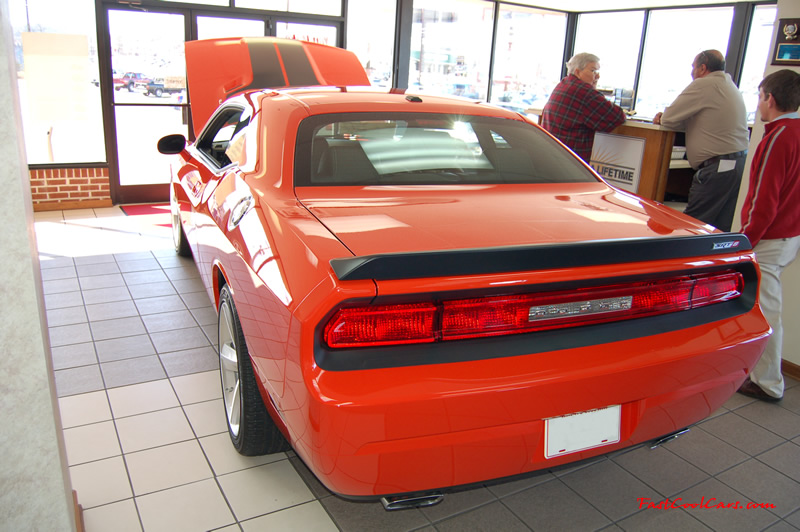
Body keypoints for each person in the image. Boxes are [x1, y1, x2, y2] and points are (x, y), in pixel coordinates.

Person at [736, 69, 800, 402]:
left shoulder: (777, 137)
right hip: (791, 235)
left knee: (765, 309)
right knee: (764, 304)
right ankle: (757, 372)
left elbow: (764, 199)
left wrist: (745, 240)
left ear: (769, 99)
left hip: (770, 237)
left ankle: (768, 382)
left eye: (760, 97)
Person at [653, 50, 749, 232]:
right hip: (737, 164)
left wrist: (662, 117)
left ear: (702, 68)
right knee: (720, 228)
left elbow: (670, 117)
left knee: (692, 225)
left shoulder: (704, 85)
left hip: (719, 168)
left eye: (693, 67)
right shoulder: (728, 84)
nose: (692, 72)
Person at [541, 53, 626, 162]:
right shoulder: (583, 91)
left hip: (552, 156)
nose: (598, 76)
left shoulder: (563, 84)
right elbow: (617, 116)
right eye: (593, 71)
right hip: (570, 162)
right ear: (577, 72)